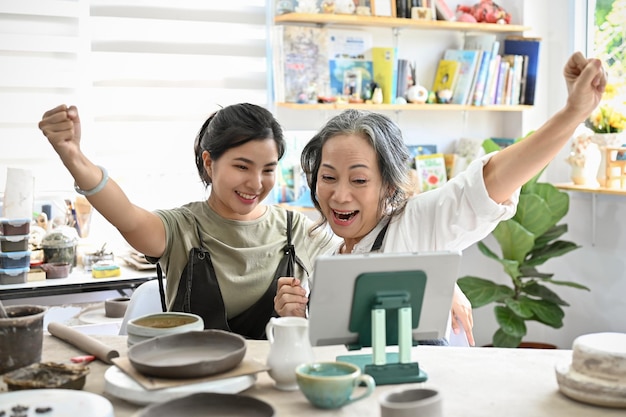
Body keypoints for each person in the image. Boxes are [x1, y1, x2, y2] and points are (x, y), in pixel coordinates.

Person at [274, 52, 607, 346]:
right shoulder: (321, 260)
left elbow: (492, 180)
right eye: (328, 177)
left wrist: (572, 113)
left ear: (390, 185)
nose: (340, 195)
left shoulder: (417, 223)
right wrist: (296, 319)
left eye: (359, 180)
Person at [38, 102, 338, 339]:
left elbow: (351, 301)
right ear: (209, 163)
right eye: (242, 166)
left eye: (268, 169)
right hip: (189, 384)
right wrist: (72, 155)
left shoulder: (298, 230)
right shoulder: (181, 228)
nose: (256, 183)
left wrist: (300, 320)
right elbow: (126, 215)